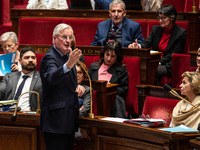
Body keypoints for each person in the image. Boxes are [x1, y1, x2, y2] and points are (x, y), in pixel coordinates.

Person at [40, 23, 85, 150]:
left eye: (70, 37)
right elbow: (51, 78)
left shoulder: (66, 57)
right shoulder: (49, 58)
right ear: (54, 38)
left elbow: (65, 83)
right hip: (55, 123)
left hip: (68, 121)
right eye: (64, 37)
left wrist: (76, 87)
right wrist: (69, 64)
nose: (68, 41)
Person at [128, 4, 187, 85]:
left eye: (163, 18)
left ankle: (154, 92)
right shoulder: (156, 29)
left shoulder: (181, 33)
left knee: (150, 70)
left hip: (168, 65)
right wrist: (138, 46)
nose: (160, 21)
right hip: (154, 61)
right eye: (159, 18)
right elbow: (147, 43)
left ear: (172, 18)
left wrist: (156, 61)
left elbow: (174, 54)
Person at [88, 41, 129, 118]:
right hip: (93, 99)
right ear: (103, 54)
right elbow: (86, 84)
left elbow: (124, 91)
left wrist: (111, 88)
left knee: (117, 99)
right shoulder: (93, 67)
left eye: (113, 56)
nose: (109, 58)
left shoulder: (121, 70)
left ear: (117, 57)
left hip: (111, 101)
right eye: (107, 55)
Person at [0, 47, 42, 111]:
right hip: (8, 114)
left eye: (33, 58)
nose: (30, 60)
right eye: (27, 58)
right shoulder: (9, 77)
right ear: (20, 61)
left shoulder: (42, 77)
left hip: (31, 116)